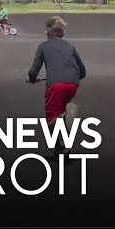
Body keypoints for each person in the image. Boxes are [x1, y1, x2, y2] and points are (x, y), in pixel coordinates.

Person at [28, 16, 86, 156]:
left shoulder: (43, 46)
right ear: (62, 32)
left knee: (51, 119)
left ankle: (64, 139)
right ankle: (62, 142)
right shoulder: (69, 46)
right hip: (73, 84)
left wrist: (32, 79)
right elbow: (82, 71)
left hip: (56, 85)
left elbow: (34, 70)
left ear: (47, 32)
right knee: (61, 108)